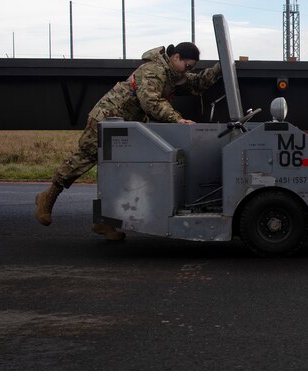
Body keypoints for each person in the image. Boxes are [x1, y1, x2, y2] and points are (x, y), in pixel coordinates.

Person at [34, 42, 221, 239]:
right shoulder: (154, 70)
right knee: (83, 159)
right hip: (106, 120)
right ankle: (48, 197)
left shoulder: (172, 76)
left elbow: (198, 83)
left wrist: (222, 67)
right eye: (188, 66)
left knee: (117, 171)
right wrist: (177, 119)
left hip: (125, 127)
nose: (188, 70)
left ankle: (104, 221)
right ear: (176, 58)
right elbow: (151, 101)